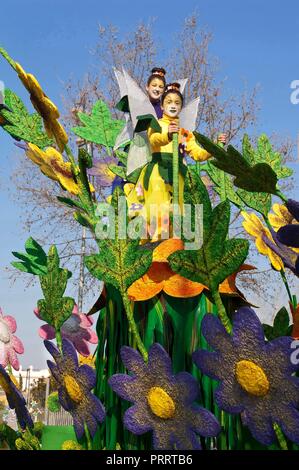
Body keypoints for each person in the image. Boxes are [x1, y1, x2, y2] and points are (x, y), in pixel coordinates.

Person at [125, 82, 219, 241]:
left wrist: (214, 147)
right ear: (162, 106)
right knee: (157, 199)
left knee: (180, 204)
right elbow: (153, 140)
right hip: (158, 169)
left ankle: (174, 237)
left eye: (177, 103)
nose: (173, 105)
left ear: (181, 107)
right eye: (169, 102)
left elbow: (197, 154)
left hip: (178, 173)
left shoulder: (185, 133)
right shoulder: (156, 124)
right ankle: (154, 235)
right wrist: (167, 135)